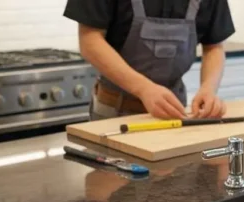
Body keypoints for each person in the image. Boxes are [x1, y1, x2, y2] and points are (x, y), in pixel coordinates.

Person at [64, 0, 235, 120]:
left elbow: (214, 46)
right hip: (114, 111)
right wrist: (144, 89)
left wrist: (208, 89)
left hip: (175, 112)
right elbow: (90, 41)